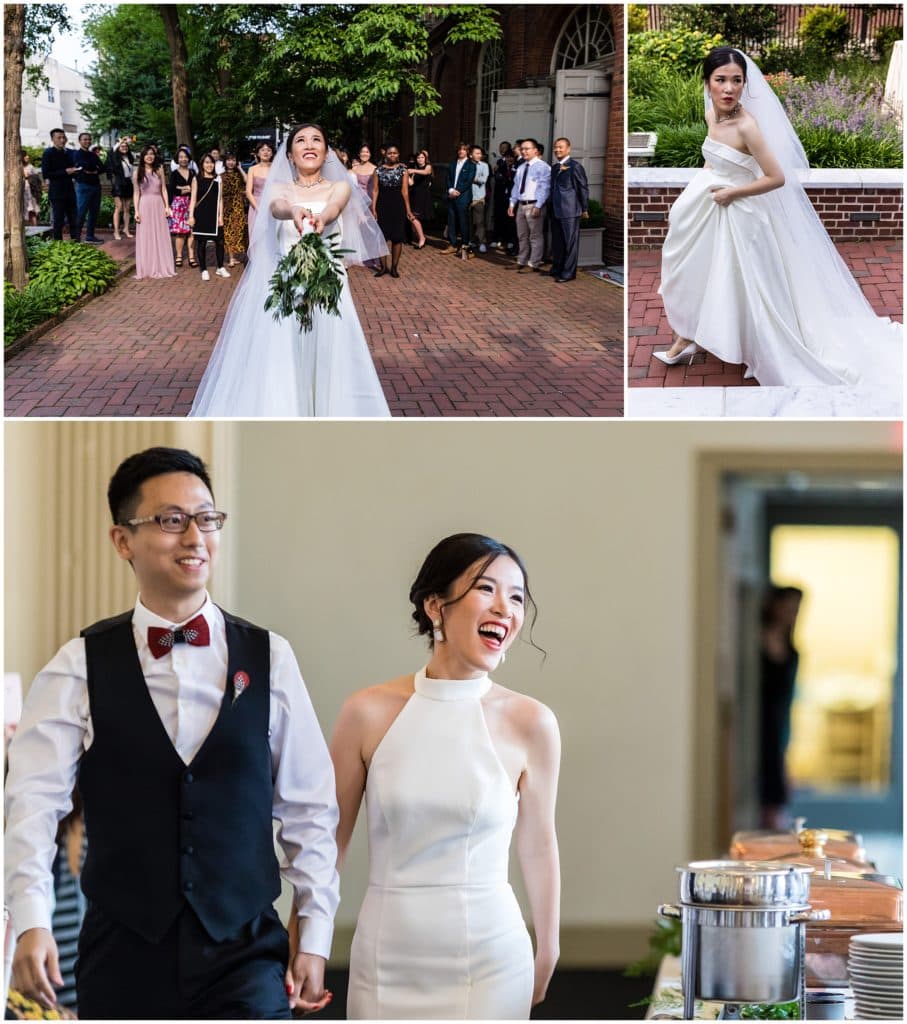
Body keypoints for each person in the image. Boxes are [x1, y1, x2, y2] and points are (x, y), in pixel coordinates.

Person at [4, 446, 339, 1019]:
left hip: (246, 953)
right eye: (171, 520)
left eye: (207, 519)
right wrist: (31, 921)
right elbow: (32, 805)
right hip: (122, 953)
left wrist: (314, 932)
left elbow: (309, 809)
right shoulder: (77, 665)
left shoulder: (271, 657)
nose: (195, 537)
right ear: (122, 540)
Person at [311, 533, 561, 1019]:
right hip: (385, 959)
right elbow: (328, 842)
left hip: (492, 959)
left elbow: (539, 842)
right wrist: (310, 944)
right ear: (435, 606)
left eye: (516, 597)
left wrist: (548, 946)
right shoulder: (366, 712)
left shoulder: (532, 722)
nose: (505, 608)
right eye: (486, 589)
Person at [655, 47, 903, 387]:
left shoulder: (748, 127)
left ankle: (755, 344)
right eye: (721, 80)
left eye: (736, 81)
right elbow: (713, 159)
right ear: (707, 82)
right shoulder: (712, 116)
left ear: (745, 84)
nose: (729, 88)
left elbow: (776, 177)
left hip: (741, 212)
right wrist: (695, 192)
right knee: (695, 271)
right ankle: (688, 334)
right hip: (709, 208)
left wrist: (732, 193)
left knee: (743, 282)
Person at [190, 123, 390, 416]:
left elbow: (334, 207)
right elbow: (276, 207)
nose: (309, 145)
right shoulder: (279, 188)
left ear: (326, 152)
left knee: (331, 357)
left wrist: (321, 217)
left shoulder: (340, 185)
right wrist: (294, 211)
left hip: (329, 289)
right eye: (301, 140)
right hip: (287, 288)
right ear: (290, 154)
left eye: (316, 140)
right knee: (284, 359)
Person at [759, 585, 803, 830]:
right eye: (789, 608)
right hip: (759, 726)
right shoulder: (755, 643)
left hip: (778, 725)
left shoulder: (791, 649)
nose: (792, 615)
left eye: (796, 610)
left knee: (776, 795)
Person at [548, 137, 589, 283]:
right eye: (555, 147)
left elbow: (582, 188)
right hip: (555, 209)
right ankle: (557, 267)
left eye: (561, 147)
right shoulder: (554, 168)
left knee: (570, 243)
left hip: (570, 210)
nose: (557, 149)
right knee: (557, 242)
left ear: (568, 149)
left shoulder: (575, 166)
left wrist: (584, 208)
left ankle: (569, 272)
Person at [370, 144, 415, 278]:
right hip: (382, 205)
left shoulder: (403, 170)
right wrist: (373, 208)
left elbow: (405, 191)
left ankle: (394, 268)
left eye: (395, 153)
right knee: (381, 238)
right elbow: (375, 190)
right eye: (390, 153)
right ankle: (383, 267)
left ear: (398, 154)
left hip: (398, 206)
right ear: (385, 154)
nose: (392, 155)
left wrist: (408, 210)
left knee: (397, 237)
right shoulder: (378, 170)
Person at [133, 144, 176, 279]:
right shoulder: (137, 173)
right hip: (144, 205)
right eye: (147, 154)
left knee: (160, 235)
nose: (149, 156)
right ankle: (147, 267)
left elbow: (164, 189)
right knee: (146, 236)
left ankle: (162, 265)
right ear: (142, 157)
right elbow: (136, 193)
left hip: (158, 204)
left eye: (151, 154)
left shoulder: (159, 170)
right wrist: (136, 211)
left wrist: (167, 206)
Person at [508, 139, 550, 273]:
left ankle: (533, 263)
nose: (523, 151)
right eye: (522, 149)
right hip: (521, 205)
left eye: (527, 148)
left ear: (535, 151)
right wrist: (512, 203)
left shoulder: (543, 167)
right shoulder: (521, 167)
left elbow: (545, 188)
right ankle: (521, 260)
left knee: (535, 236)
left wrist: (539, 205)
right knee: (522, 235)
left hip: (534, 204)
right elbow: (516, 187)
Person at [189, 153, 228, 281]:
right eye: (206, 162)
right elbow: (193, 199)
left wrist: (220, 216)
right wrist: (191, 216)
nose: (209, 165)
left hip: (214, 214)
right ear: (202, 164)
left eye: (211, 162)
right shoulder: (196, 179)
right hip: (201, 214)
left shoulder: (218, 179)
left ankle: (220, 267)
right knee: (201, 242)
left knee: (220, 241)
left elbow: (220, 199)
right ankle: (204, 269)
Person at [41, 129, 79, 241]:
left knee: (74, 219)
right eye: (59, 138)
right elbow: (46, 174)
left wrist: (75, 171)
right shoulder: (48, 153)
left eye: (64, 137)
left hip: (70, 190)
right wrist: (65, 172)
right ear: (52, 139)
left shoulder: (68, 153)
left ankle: (76, 243)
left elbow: (72, 169)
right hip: (56, 192)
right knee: (58, 221)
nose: (62, 140)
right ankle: (58, 244)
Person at [442, 142, 476, 256]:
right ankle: (452, 244)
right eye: (460, 149)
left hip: (463, 197)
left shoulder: (471, 165)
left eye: (464, 149)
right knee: (451, 221)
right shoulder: (452, 164)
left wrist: (458, 191)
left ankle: (465, 246)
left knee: (463, 222)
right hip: (451, 195)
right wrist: (451, 190)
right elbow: (448, 178)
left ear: (467, 151)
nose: (461, 151)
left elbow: (469, 181)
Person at [73, 133, 105, 244]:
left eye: (89, 139)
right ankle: (76, 238)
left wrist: (91, 170)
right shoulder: (77, 154)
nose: (88, 141)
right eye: (85, 139)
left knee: (94, 212)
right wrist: (91, 168)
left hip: (96, 186)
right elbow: (82, 167)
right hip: (83, 186)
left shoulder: (93, 155)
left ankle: (89, 236)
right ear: (80, 141)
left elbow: (102, 168)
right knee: (80, 212)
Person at [168, 147, 197, 267]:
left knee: (192, 231)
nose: (183, 159)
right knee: (180, 232)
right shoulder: (174, 173)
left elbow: (196, 188)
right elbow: (172, 190)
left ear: (189, 159)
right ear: (177, 159)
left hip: (192, 203)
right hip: (178, 205)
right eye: (181, 157)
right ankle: (179, 256)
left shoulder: (193, 172)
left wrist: (181, 188)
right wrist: (187, 188)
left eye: (185, 157)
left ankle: (191, 256)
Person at [220, 153, 248, 267]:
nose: (231, 162)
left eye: (233, 160)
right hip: (226, 206)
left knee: (239, 230)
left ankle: (236, 256)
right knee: (228, 232)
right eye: (229, 160)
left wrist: (240, 168)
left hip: (238, 206)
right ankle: (231, 258)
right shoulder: (221, 176)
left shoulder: (239, 175)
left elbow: (247, 180)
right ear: (225, 162)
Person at [106, 138, 135, 240]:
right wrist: (120, 141)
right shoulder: (115, 157)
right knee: (119, 207)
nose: (124, 147)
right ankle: (116, 231)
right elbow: (111, 152)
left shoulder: (130, 157)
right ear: (118, 147)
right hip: (118, 183)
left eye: (126, 146)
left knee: (127, 208)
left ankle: (126, 229)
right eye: (122, 146)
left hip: (128, 183)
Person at [246, 141, 273, 242]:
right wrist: (259, 209)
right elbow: (248, 192)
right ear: (258, 153)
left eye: (268, 150)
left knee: (271, 237)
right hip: (255, 206)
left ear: (272, 153)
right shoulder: (252, 169)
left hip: (272, 206)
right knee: (256, 237)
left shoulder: (276, 168)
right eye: (262, 150)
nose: (265, 152)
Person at [406, 150, 432, 248]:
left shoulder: (428, 166)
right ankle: (421, 237)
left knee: (413, 217)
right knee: (411, 216)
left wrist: (413, 170)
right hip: (415, 195)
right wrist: (406, 174)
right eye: (418, 158)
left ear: (425, 158)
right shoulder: (415, 169)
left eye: (422, 157)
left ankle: (421, 238)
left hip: (423, 195)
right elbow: (411, 183)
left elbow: (426, 172)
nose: (420, 159)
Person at [467, 145, 490, 254]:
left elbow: (483, 179)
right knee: (469, 221)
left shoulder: (484, 166)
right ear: (470, 155)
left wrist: (471, 178)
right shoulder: (466, 165)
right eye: (477, 153)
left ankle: (482, 242)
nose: (479, 155)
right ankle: (471, 241)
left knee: (480, 222)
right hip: (467, 197)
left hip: (479, 198)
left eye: (480, 153)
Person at [21, 152, 42, 227]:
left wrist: (28, 177)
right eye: (25, 155)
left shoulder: (30, 167)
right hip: (21, 193)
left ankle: (35, 230)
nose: (27, 157)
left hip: (30, 192)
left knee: (32, 212)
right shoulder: (17, 166)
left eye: (27, 155)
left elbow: (38, 179)